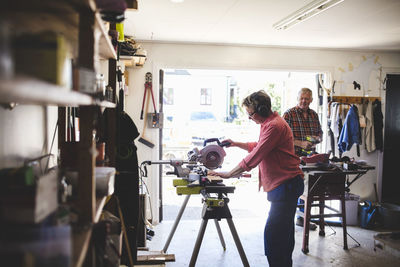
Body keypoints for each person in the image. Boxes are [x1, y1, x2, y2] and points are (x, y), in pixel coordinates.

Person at [208, 90, 304, 267]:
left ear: (262, 109)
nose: (250, 118)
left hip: (286, 185)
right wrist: (236, 143)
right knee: (284, 234)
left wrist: (228, 174)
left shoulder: (275, 126)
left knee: (274, 236)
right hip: (284, 185)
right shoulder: (268, 123)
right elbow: (258, 146)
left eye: (251, 114)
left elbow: (257, 154)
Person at [283, 87, 323, 230]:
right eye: (302, 98)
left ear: (311, 100)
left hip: (311, 158)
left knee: (309, 188)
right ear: (297, 98)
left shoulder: (314, 115)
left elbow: (320, 134)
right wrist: (301, 143)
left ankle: (302, 218)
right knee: (295, 188)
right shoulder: (289, 114)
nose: (304, 101)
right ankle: (288, 219)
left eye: (307, 98)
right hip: (293, 157)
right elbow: (282, 137)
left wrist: (314, 139)